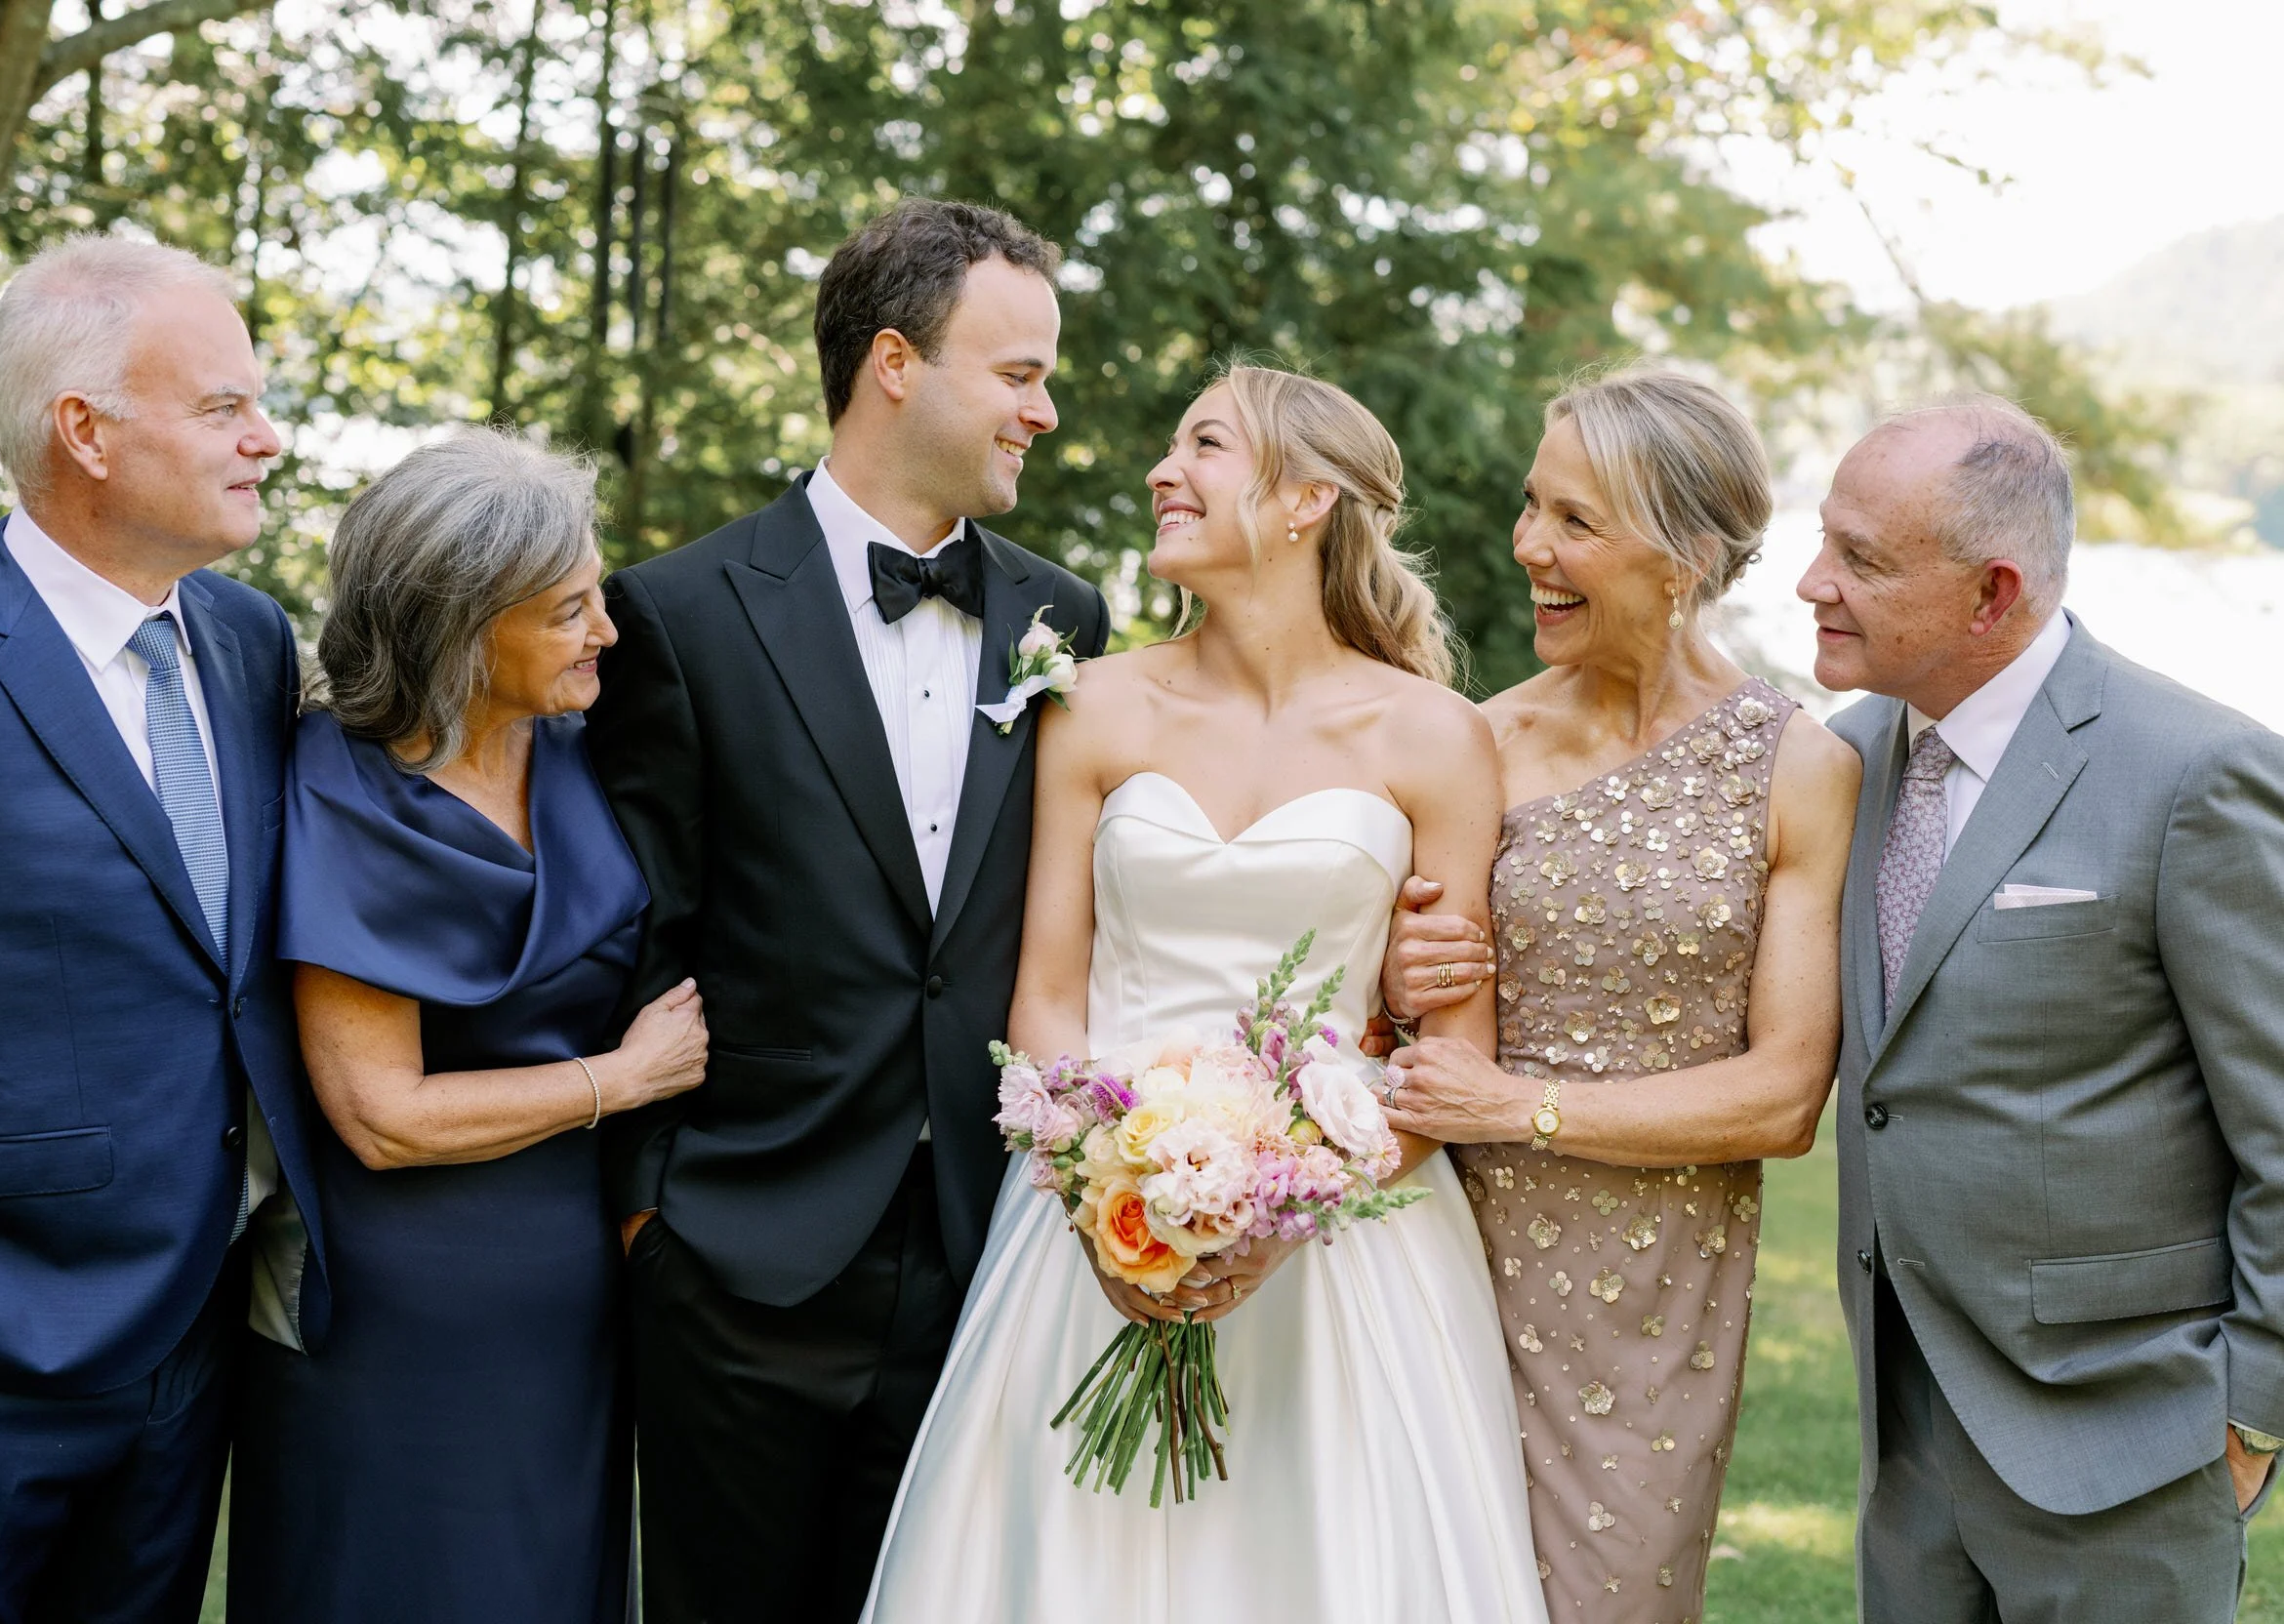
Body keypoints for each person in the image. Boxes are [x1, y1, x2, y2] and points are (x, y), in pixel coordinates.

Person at [861, 364, 1548, 1623]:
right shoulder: (1096, 701)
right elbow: (1047, 999)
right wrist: (1107, 1197)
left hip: (1350, 1246)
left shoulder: (1435, 735)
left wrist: (1277, 1214)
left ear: (1303, 500)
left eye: (1204, 446)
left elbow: (1450, 1058)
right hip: (1089, 1226)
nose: (1161, 471)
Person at [586, 197, 1110, 1624]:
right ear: (895, 362)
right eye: (1019, 375)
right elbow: (641, 932)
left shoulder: (1066, 620)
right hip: (740, 1263)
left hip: (986, 1258)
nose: (1045, 411)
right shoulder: (678, 613)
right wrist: (654, 1220)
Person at [0, 235, 332, 1620]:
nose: (268, 439)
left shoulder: (246, 642)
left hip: (192, 1359)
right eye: (223, 407)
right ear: (86, 434)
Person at [1374, 368, 1859, 1616]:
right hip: (1436, 1253)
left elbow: (1784, 1093)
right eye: (1534, 507)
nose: (1530, 543)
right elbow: (1389, 1004)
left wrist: (1514, 1106)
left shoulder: (1798, 766)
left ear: (1686, 555)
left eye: (1576, 521)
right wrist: (1393, 971)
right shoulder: (1474, 743)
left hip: (1654, 1298)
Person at [1799, 396, 2284, 1623]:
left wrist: (2251, 1411)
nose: (1813, 581)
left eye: (1860, 557)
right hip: (1902, 1430)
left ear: (1991, 590)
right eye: (1823, 539)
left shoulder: (2195, 771)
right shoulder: (1838, 764)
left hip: (2131, 1439)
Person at [226, 428, 707, 1623]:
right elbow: (380, 1115)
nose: (606, 628)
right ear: (460, 627)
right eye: (567, 609)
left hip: (568, 1292)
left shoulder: (587, 749)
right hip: (398, 1305)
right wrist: (621, 1077)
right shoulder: (341, 788)